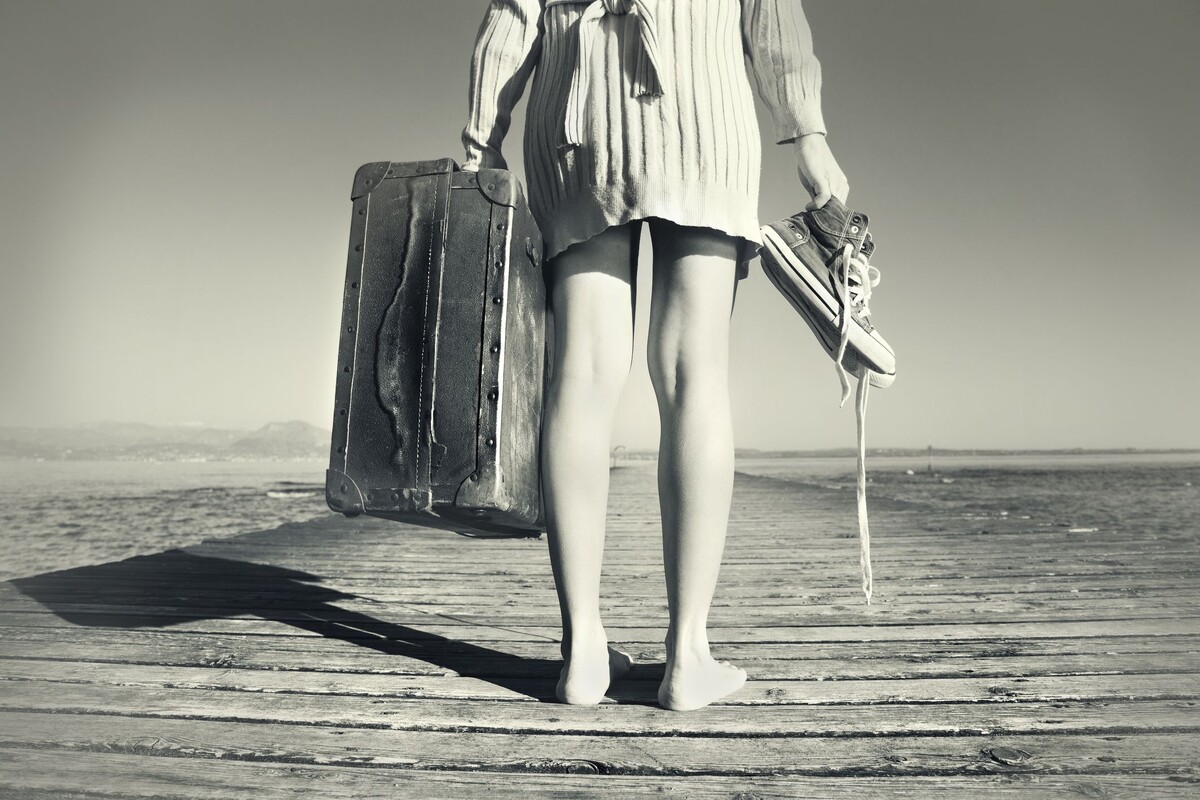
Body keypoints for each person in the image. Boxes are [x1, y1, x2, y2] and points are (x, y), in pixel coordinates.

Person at [462, 0, 848, 711]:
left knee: (581, 376)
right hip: (700, 111)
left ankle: (582, 651)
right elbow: (771, 17)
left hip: (578, 125)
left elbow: (512, 19)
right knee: (694, 375)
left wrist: (482, 140)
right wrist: (808, 132)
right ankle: (687, 656)